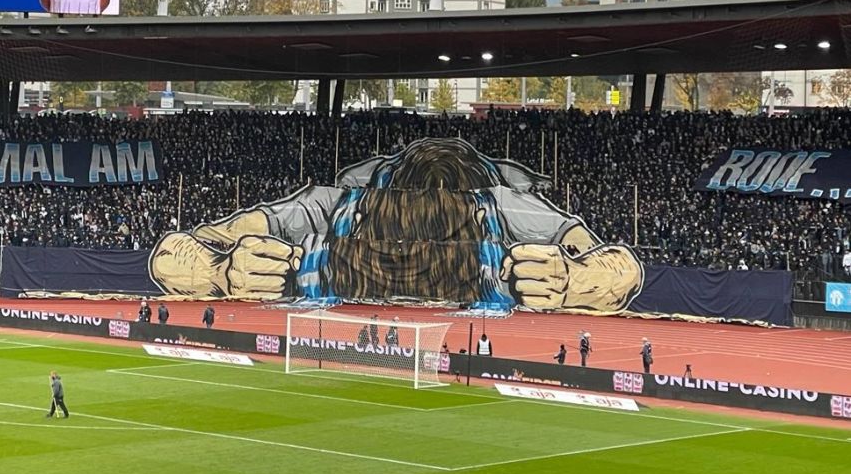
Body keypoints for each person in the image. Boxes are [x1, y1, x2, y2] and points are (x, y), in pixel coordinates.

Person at [150, 138, 643, 311]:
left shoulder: (507, 205)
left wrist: (577, 279)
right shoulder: (336, 203)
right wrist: (219, 271)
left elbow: (618, 266)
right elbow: (176, 252)